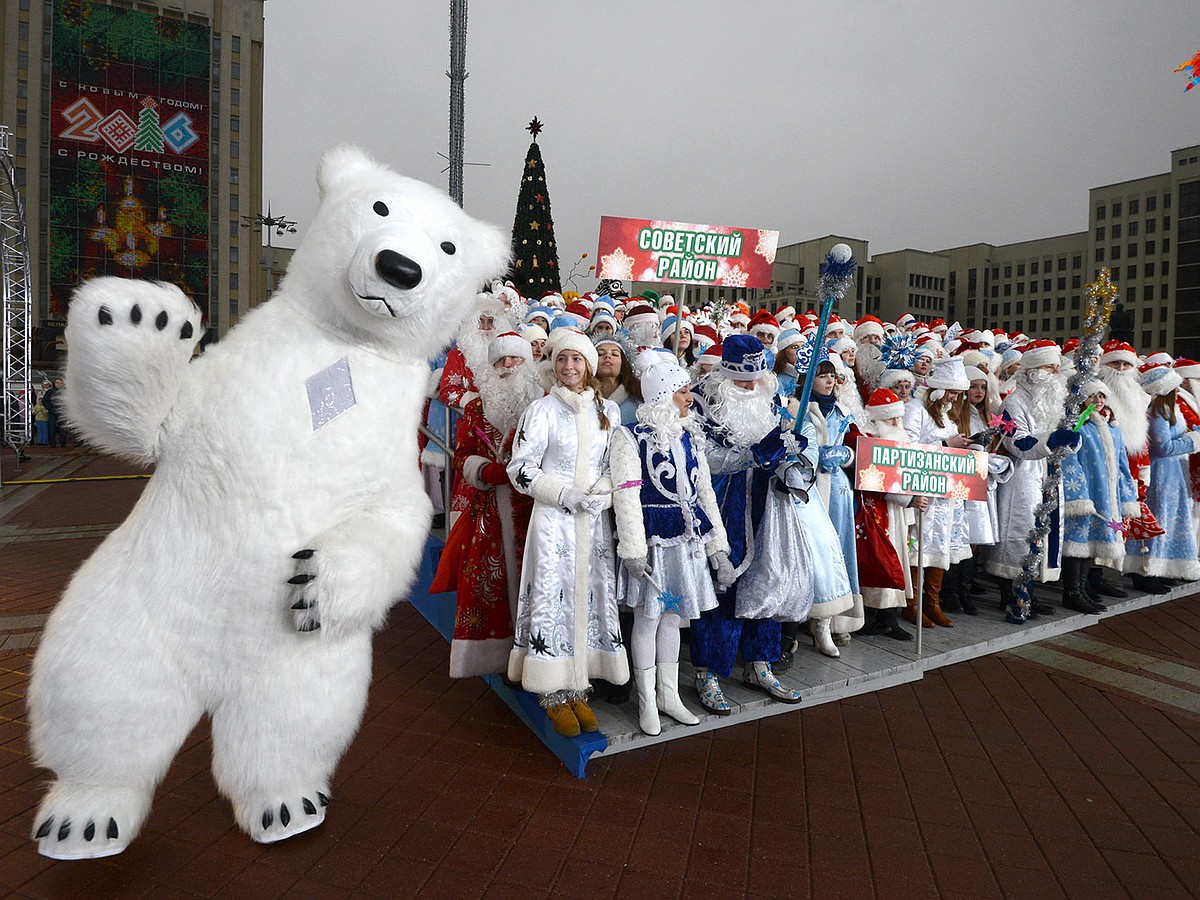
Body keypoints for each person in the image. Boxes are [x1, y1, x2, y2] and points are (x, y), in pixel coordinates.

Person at [507, 329, 628, 737]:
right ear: (554, 365)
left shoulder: (608, 412)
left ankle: (579, 683)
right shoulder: (540, 410)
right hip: (555, 520)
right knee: (551, 595)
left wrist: (603, 495)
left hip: (592, 521)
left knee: (590, 596)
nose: (569, 367)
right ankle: (552, 690)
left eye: (577, 360)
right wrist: (563, 493)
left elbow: (617, 467)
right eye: (562, 360)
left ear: (589, 366)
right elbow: (521, 468)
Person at [689, 335, 815, 711]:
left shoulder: (771, 399)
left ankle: (759, 663)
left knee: (770, 579)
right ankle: (708, 671)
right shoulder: (701, 401)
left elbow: (780, 445)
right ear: (726, 374)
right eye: (744, 381)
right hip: (725, 503)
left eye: (757, 378)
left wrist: (791, 458)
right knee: (723, 586)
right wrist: (753, 455)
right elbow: (703, 458)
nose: (751, 386)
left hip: (770, 505)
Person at [610, 362, 734, 735]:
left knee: (673, 617)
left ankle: (668, 693)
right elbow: (626, 495)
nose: (689, 398)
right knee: (648, 619)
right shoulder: (629, 437)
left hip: (687, 543)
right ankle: (646, 698)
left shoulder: (689, 437)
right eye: (682, 392)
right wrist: (633, 547)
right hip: (654, 544)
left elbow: (705, 493)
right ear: (663, 396)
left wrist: (718, 546)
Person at [431, 332, 542, 676]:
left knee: (539, 581)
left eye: (515, 359)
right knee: (492, 583)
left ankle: (538, 656)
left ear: (528, 363)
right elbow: (463, 453)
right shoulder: (477, 407)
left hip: (537, 506)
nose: (508, 366)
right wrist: (486, 470)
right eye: (501, 360)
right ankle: (498, 656)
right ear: (491, 366)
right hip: (492, 507)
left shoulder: (544, 403)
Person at [986, 340, 1081, 623]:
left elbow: (1064, 434)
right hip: (1022, 477)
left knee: (1042, 532)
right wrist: (1049, 441)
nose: (1053, 374)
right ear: (1031, 371)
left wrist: (1070, 442)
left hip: (1049, 473)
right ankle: (1013, 593)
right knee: (1020, 533)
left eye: (1055, 368)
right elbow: (1017, 442)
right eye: (1048, 368)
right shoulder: (1012, 403)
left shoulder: (1054, 401)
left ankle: (1029, 590)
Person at [903, 357, 974, 628]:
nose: (955, 398)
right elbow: (907, 448)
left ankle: (931, 601)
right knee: (918, 545)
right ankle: (912, 603)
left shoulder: (946, 414)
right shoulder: (915, 409)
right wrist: (945, 443)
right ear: (938, 389)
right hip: (922, 490)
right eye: (952, 392)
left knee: (940, 544)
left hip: (945, 493)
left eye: (958, 394)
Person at [1058, 380, 1139, 613]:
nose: (1098, 400)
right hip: (1086, 496)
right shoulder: (1076, 426)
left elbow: (1122, 463)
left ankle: (1082, 589)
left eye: (1101, 396)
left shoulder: (1112, 427)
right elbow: (1069, 461)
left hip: (1106, 496)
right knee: (1077, 543)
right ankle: (1071, 591)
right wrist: (1079, 496)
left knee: (1092, 542)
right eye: (1092, 396)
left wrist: (1126, 494)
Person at [856, 388, 925, 640]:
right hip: (879, 511)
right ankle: (874, 617)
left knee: (898, 560)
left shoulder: (901, 439)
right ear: (876, 418)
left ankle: (890, 617)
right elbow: (877, 479)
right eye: (890, 419)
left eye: (897, 418)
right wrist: (910, 498)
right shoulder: (871, 440)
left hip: (899, 513)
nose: (896, 423)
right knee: (881, 561)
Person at [806, 358, 863, 648]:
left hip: (837, 487)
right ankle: (802, 619)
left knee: (838, 551)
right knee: (811, 553)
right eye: (822, 376)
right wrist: (814, 456)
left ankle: (829, 622)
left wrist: (844, 455)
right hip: (809, 487)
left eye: (832, 376)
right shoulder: (799, 408)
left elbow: (858, 448)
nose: (830, 381)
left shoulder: (843, 411)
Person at [1127, 365, 1200, 586]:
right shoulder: (1158, 412)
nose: (1179, 390)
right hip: (1162, 475)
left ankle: (1162, 567)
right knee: (1160, 518)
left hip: (1173, 474)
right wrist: (1193, 439)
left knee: (1168, 519)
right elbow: (1163, 447)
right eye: (1174, 386)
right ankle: (1145, 569)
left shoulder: (1168, 409)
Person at [594, 336, 642, 426]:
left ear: (624, 364)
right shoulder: (583, 399)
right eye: (600, 354)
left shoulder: (638, 405)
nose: (607, 356)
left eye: (614, 354)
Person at [43, 378, 67, 448]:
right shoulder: (50, 392)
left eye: (59, 383)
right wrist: (50, 408)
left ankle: (63, 442)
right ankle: (52, 443)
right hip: (52, 412)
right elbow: (45, 401)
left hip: (62, 412)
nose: (58, 384)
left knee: (63, 428)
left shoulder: (66, 392)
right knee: (52, 428)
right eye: (56, 383)